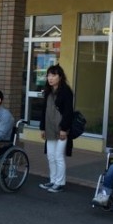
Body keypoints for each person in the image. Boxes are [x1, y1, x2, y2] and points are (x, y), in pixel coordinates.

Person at [38, 64, 75, 193]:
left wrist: (64, 129)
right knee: (50, 156)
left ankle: (60, 182)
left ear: (60, 77)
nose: (50, 78)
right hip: (49, 128)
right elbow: (44, 111)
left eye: (53, 75)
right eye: (48, 75)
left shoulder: (66, 92)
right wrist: (42, 128)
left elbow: (68, 112)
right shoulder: (48, 91)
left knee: (58, 156)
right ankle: (53, 180)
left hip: (61, 129)